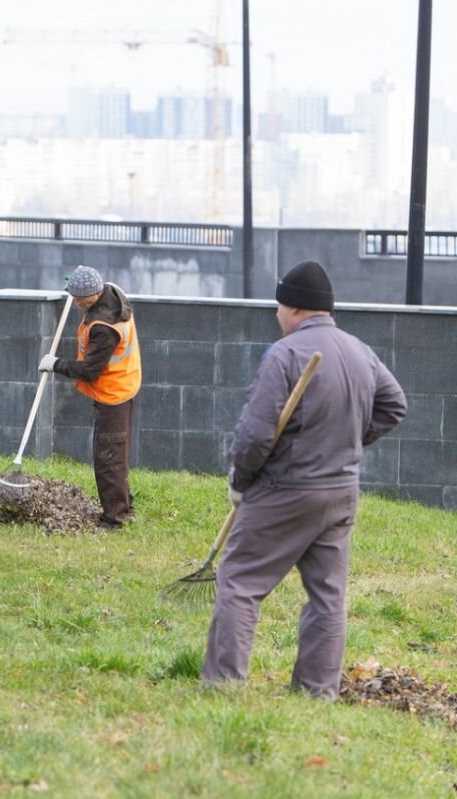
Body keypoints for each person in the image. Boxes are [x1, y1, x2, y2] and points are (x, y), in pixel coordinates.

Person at [201, 260, 407, 700]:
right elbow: (394, 405)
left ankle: (222, 687)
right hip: (340, 492)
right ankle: (317, 693)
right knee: (328, 596)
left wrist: (241, 478)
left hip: (285, 490)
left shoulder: (285, 353)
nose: (277, 314)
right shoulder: (358, 350)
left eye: (278, 306)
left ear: (293, 308)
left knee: (239, 581)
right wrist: (347, 440)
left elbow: (256, 433)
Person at [38, 265, 141, 529]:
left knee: (108, 458)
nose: (74, 302)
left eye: (78, 298)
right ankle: (124, 504)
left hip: (113, 393)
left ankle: (114, 518)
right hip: (125, 383)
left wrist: (56, 364)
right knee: (117, 452)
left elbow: (91, 371)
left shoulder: (104, 326)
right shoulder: (112, 292)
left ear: (92, 296)